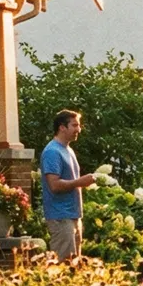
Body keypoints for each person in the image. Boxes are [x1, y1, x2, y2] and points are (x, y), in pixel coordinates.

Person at [40, 109, 97, 261]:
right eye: (75, 125)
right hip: (60, 217)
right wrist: (81, 182)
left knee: (75, 267)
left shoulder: (68, 150)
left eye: (79, 125)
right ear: (62, 127)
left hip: (73, 216)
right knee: (63, 267)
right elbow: (54, 185)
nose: (79, 129)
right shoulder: (52, 152)